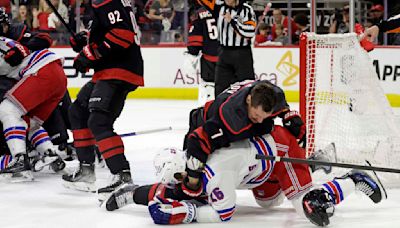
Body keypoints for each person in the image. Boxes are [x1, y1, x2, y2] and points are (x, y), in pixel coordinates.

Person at [104, 126, 386, 226]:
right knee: (267, 203)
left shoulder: (215, 174)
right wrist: (131, 196)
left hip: (278, 150)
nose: (179, 185)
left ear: (185, 169)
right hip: (257, 170)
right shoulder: (190, 167)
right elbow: (168, 191)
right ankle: (311, 165)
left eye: (179, 178)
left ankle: (354, 179)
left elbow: (224, 214)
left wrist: (188, 213)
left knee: (307, 207)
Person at [62, 0, 144, 200]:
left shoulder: (107, 0)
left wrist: (90, 53)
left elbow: (122, 35)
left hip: (118, 71)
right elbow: (109, 32)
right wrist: (86, 41)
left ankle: (122, 175)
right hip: (108, 72)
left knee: (99, 121)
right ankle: (86, 171)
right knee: (77, 112)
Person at [180, 80, 305, 198]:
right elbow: (197, 141)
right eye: (256, 116)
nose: (260, 120)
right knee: (191, 171)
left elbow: (281, 108)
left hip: (227, 114)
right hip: (203, 121)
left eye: (264, 117)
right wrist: (193, 182)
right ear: (248, 100)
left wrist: (288, 115)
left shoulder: (274, 95)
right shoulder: (231, 119)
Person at [0, 37, 67, 180]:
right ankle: (49, 153)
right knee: (30, 122)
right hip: (56, 73)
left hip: (40, 70)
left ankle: (19, 160)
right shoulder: (5, 40)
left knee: (8, 110)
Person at [196, 0, 257, 96]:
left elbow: (249, 32)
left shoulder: (246, 10)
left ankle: (245, 110)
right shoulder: (219, 7)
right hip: (224, 52)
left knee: (247, 87)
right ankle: (219, 110)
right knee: (220, 87)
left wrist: (233, 21)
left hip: (242, 54)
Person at [185, 6, 219, 105]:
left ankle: (207, 112)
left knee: (209, 87)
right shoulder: (227, 9)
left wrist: (192, 53)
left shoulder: (201, 13)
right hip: (228, 56)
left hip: (209, 59)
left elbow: (195, 40)